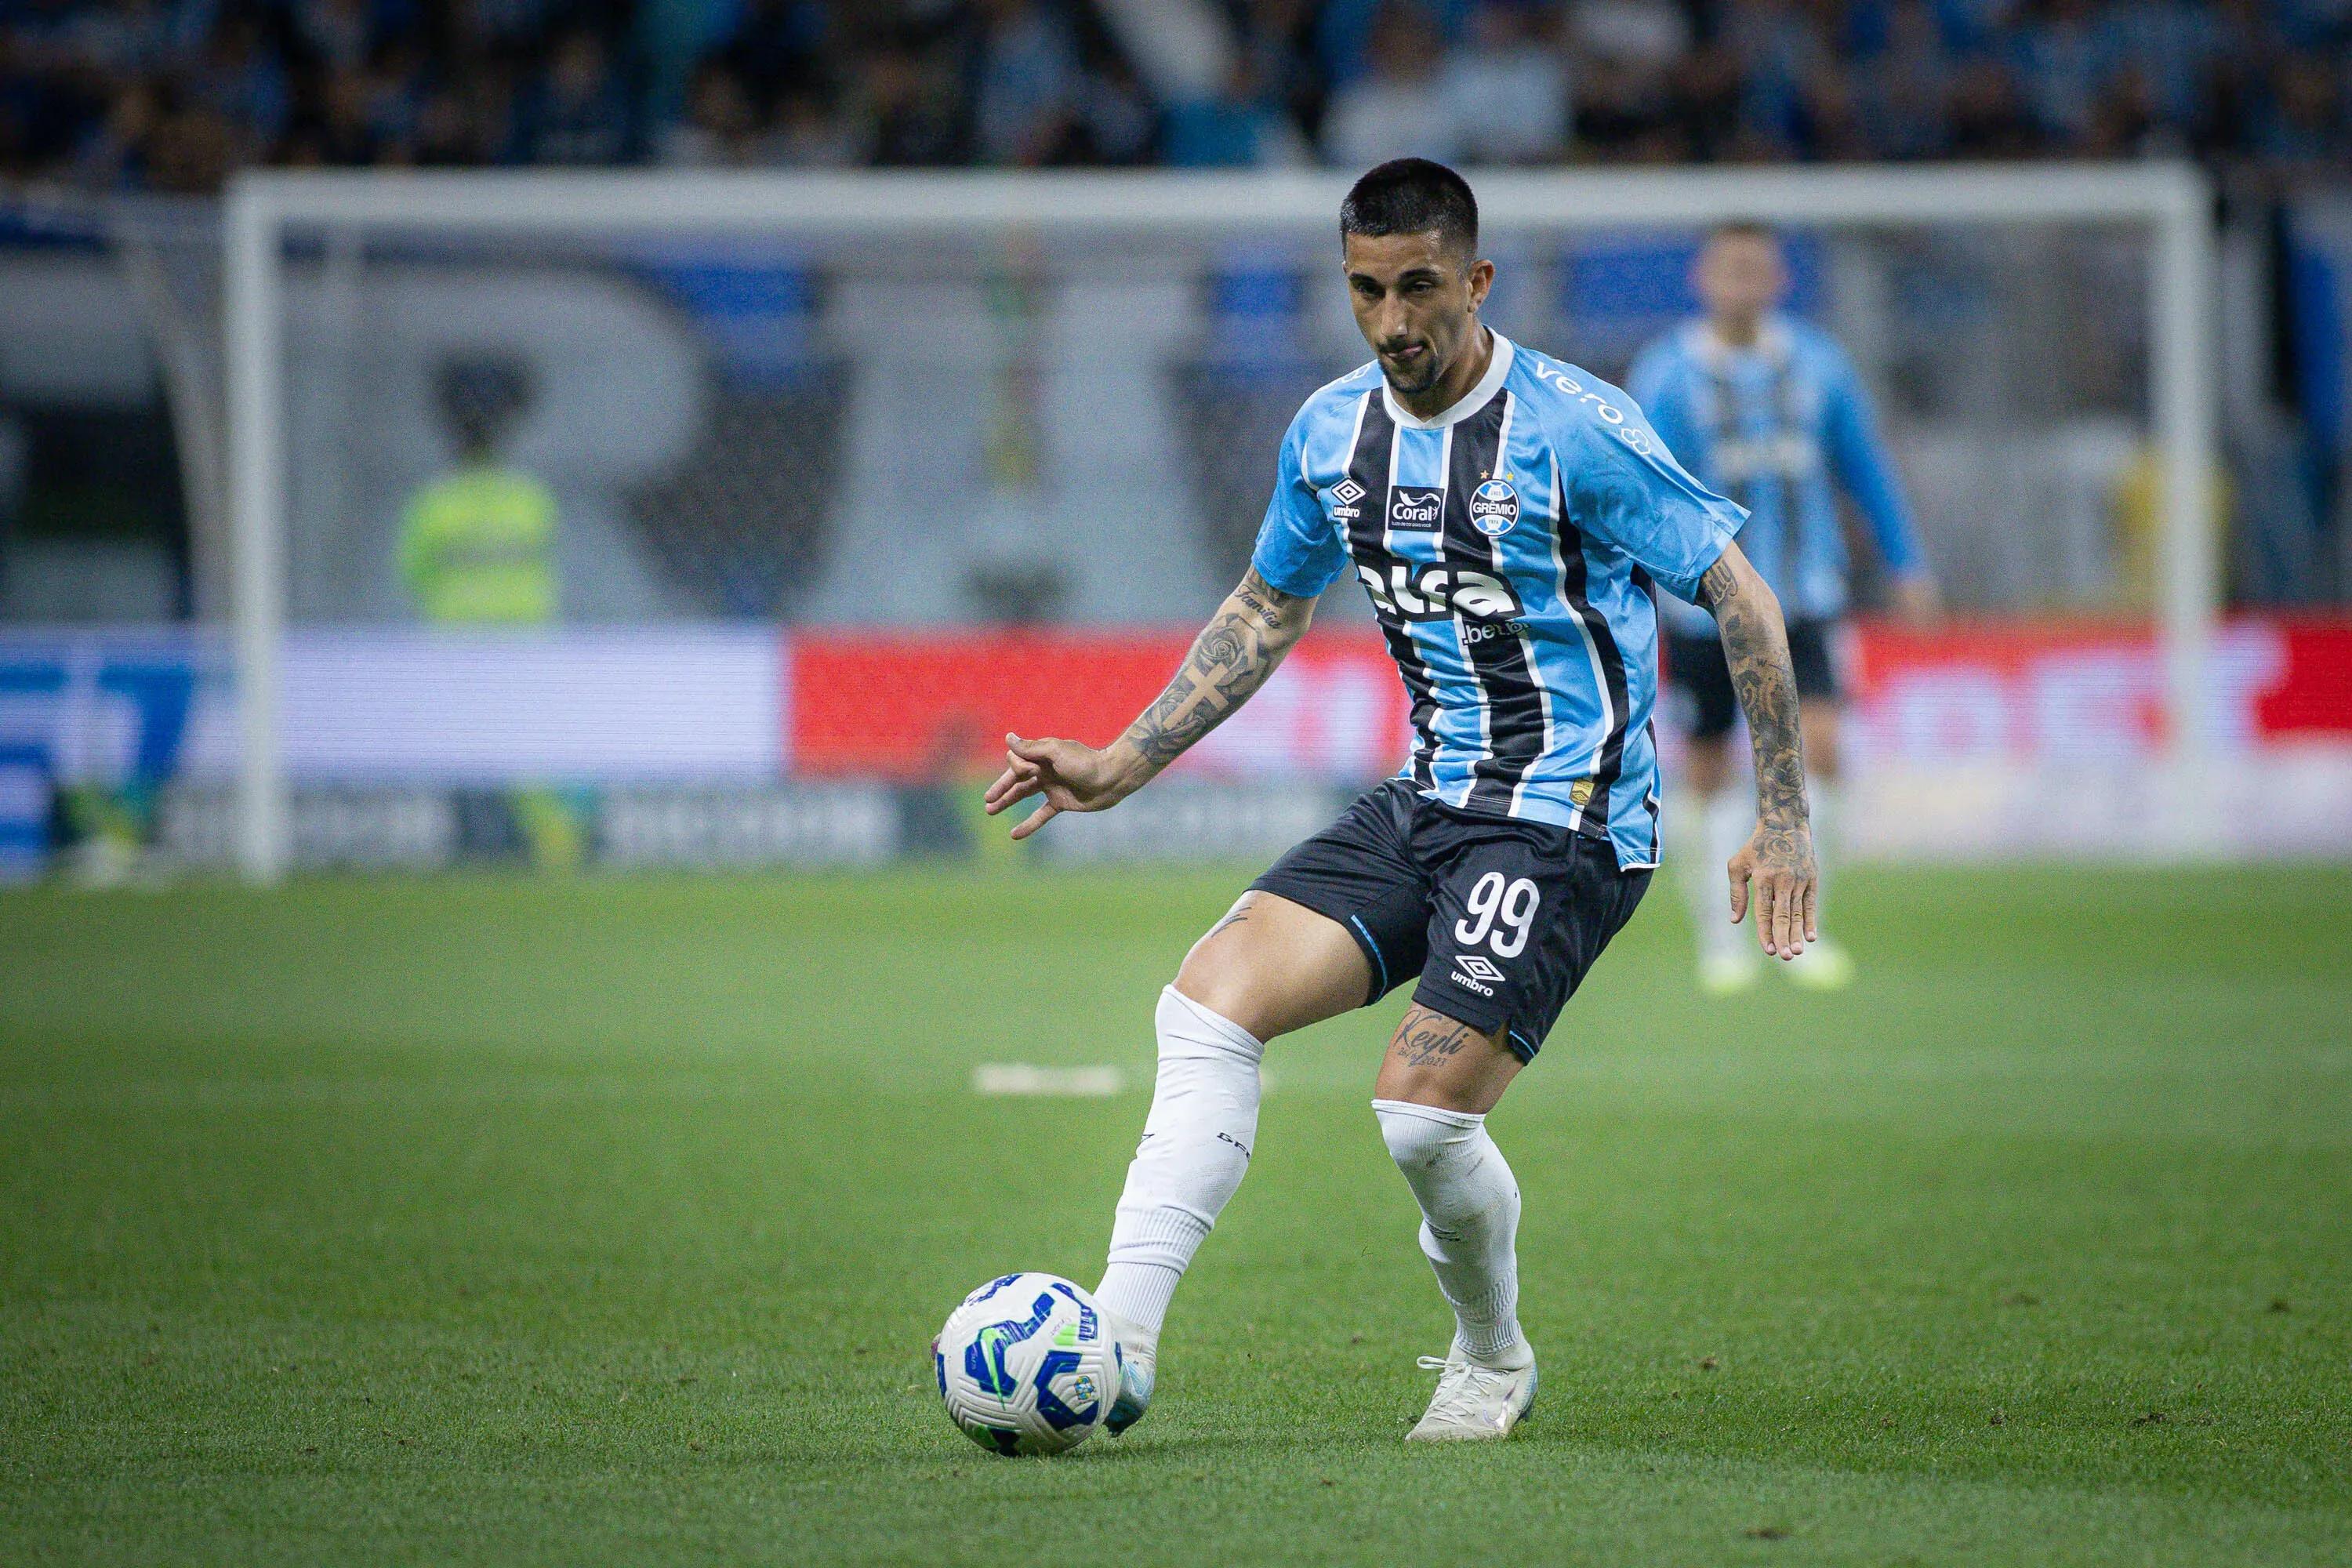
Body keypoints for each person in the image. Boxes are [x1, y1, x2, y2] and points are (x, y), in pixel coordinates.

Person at [985, 161, 1819, 1443]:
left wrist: (1784, 816)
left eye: (1419, 286)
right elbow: (1270, 604)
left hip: (1568, 819)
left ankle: (1491, 1358)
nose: (1393, 319)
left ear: (1477, 282)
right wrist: (1123, 760)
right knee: (1204, 1008)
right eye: (1367, 290)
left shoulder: (1572, 428)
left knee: (1420, 1118)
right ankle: (1117, 1342)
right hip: (1428, 804)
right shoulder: (1331, 435)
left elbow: (1740, 597)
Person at [1628, 223, 1936, 996]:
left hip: (1805, 593)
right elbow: (1637, 491)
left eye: (1757, 269)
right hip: (1704, 608)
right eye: (1731, 268)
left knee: (1822, 749)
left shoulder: (1818, 365)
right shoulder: (1668, 373)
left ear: (1778, 280)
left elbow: (1864, 466)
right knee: (1708, 768)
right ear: (1704, 276)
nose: (1744, 283)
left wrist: (1907, 563)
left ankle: (1807, 927)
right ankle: (1721, 938)